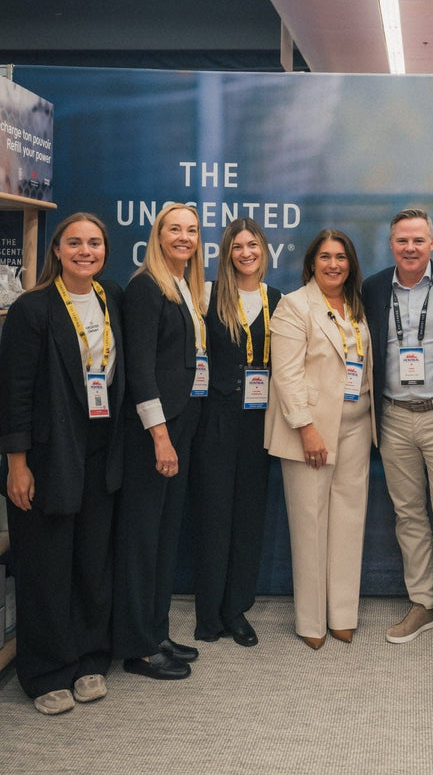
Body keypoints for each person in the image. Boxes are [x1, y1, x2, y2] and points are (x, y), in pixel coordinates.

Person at [0, 213, 125, 714]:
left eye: (94, 243)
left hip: (100, 448)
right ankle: (46, 671)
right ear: (56, 250)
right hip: (49, 453)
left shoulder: (110, 297)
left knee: (93, 561)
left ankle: (89, 658)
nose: (85, 251)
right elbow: (15, 393)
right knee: (47, 564)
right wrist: (17, 464)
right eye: (74, 242)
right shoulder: (33, 309)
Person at [362, 208, 433, 658]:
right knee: (408, 515)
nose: (410, 248)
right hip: (392, 416)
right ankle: (422, 603)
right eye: (402, 241)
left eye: (418, 240)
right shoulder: (373, 288)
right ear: (391, 245)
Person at [265, 229, 376, 649]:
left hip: (357, 424)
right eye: (326, 257)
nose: (334, 264)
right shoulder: (294, 307)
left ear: (351, 263)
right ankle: (311, 621)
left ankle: (342, 613)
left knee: (350, 519)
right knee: (310, 523)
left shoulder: (356, 306)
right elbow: (286, 374)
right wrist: (306, 428)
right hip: (309, 429)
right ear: (311, 262)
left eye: (342, 257)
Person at [113, 203, 206, 680]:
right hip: (155, 433)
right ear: (158, 234)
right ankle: (138, 647)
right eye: (175, 229)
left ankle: (157, 631)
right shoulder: (145, 287)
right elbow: (142, 370)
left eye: (191, 230)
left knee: (165, 538)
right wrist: (161, 437)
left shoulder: (185, 285)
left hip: (181, 425)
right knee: (142, 540)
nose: (184, 237)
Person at [190, 218, 281, 647]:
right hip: (216, 421)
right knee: (213, 517)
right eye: (237, 246)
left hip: (259, 423)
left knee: (248, 518)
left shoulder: (278, 299)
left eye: (253, 245)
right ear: (226, 253)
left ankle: (236, 609)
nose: (246, 252)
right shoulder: (206, 296)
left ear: (264, 250)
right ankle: (209, 615)